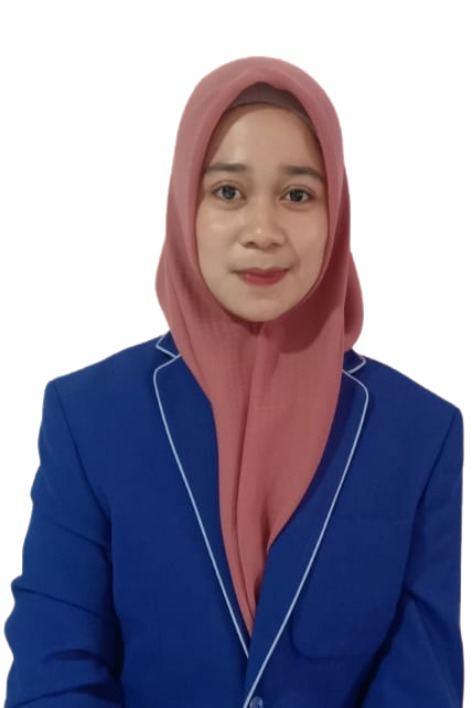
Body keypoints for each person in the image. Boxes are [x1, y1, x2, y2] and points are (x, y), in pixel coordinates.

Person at [3, 55, 464, 708]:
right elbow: (56, 671)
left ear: (336, 215)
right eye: (227, 191)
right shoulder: (89, 417)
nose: (263, 231)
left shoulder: (421, 434)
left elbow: (422, 679)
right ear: (183, 207)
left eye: (297, 195)